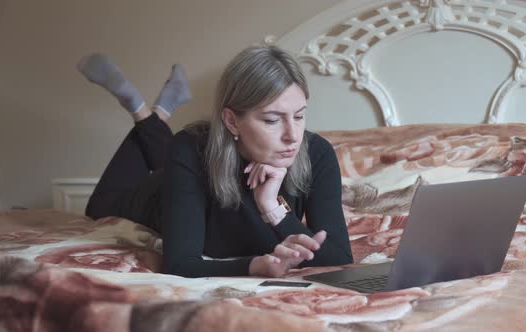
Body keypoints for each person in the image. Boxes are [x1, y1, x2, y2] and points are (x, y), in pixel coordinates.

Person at [80, 46, 353, 278]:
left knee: (186, 146)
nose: (293, 136)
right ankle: (141, 110)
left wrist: (273, 208)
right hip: (156, 195)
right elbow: (180, 263)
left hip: (194, 155)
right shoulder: (189, 150)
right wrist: (254, 266)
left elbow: (339, 255)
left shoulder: (317, 153)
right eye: (272, 120)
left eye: (299, 116)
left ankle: (155, 111)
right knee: (99, 206)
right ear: (232, 121)